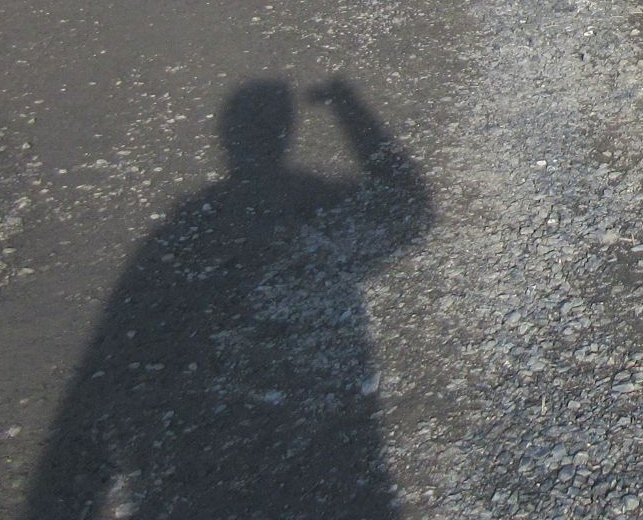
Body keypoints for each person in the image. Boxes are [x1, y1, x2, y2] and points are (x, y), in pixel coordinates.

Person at [23, 79, 431, 520]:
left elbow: (108, 359)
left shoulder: (185, 224)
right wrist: (346, 104)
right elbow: (411, 208)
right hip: (339, 475)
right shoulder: (314, 203)